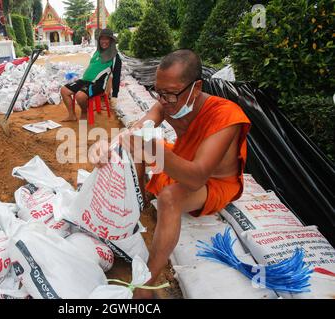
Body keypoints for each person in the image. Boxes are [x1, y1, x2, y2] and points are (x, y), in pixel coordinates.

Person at [89, 49, 251, 298]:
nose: (163, 101)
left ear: (196, 89)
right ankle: (140, 200)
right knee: (135, 146)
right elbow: (139, 130)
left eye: (171, 94)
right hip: (183, 160)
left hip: (213, 181)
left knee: (169, 197)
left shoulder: (226, 115)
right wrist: (110, 145)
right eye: (158, 92)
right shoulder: (169, 101)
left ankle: (148, 281)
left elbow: (197, 177)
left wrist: (155, 151)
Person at [60, 28, 122, 122]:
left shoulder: (115, 57)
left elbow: (116, 77)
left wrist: (115, 95)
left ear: (111, 41)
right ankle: (71, 115)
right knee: (64, 90)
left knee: (80, 96)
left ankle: (84, 112)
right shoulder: (97, 52)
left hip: (97, 84)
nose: (104, 41)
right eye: (102, 39)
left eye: (107, 39)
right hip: (84, 81)